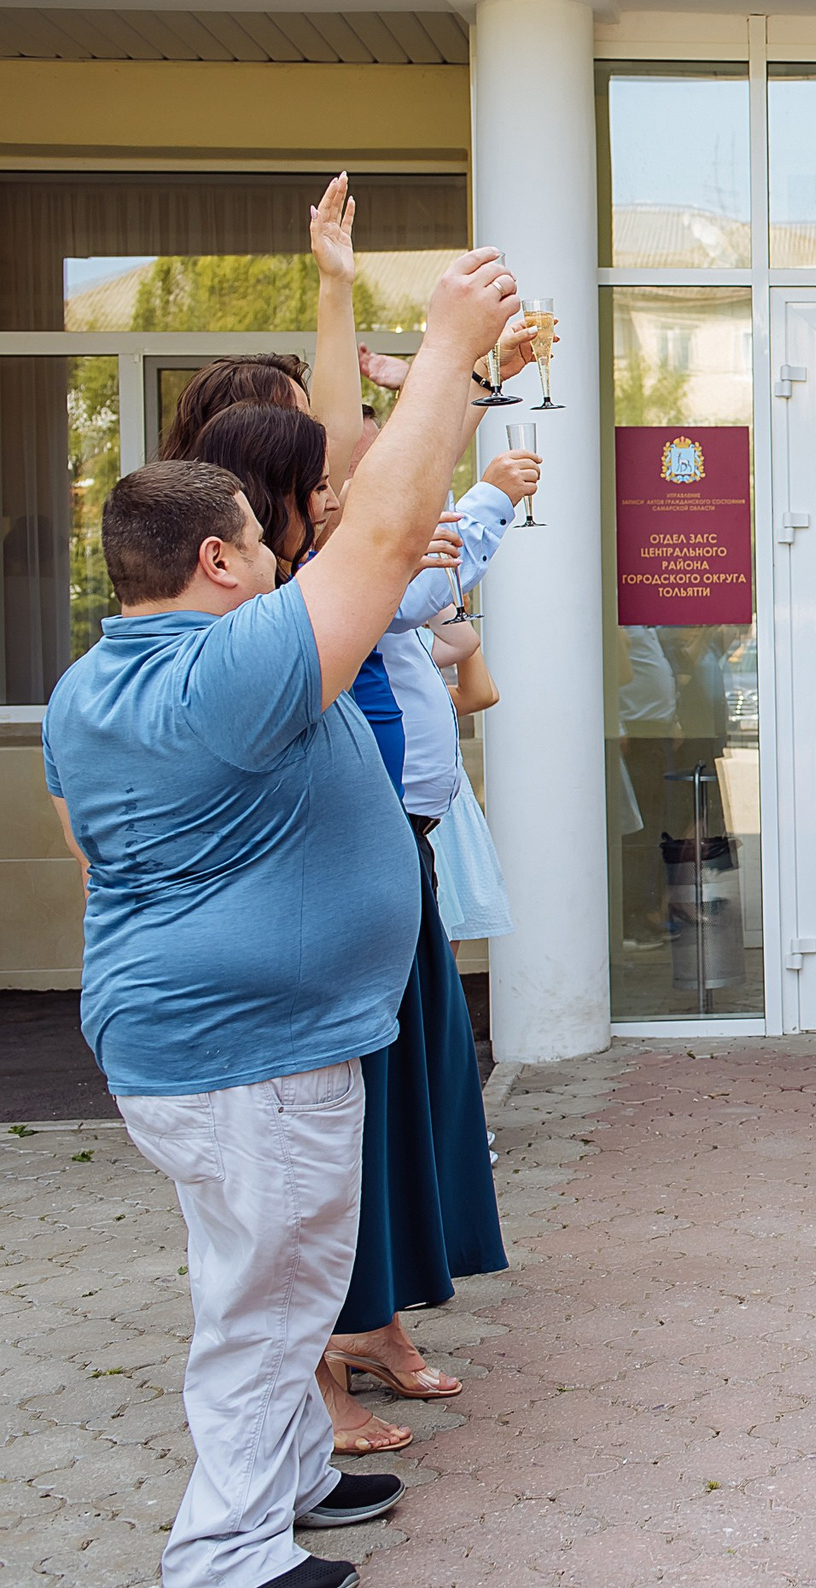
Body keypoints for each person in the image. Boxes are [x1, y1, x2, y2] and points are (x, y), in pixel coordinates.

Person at [43, 245, 517, 1588]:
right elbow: (375, 531)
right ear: (215, 558)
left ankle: (298, 1475)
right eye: (264, 539)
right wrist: (446, 348)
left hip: (192, 1044)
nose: (286, 549)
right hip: (254, 1053)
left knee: (253, 1280)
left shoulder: (95, 684)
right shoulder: (230, 671)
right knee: (264, 1312)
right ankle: (226, 1556)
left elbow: (89, 847)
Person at [426, 617, 516, 948]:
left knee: (440, 951)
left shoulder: (410, 645)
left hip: (437, 801)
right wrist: (451, 615)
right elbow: (480, 694)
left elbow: (481, 694)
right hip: (425, 802)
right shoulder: (399, 646)